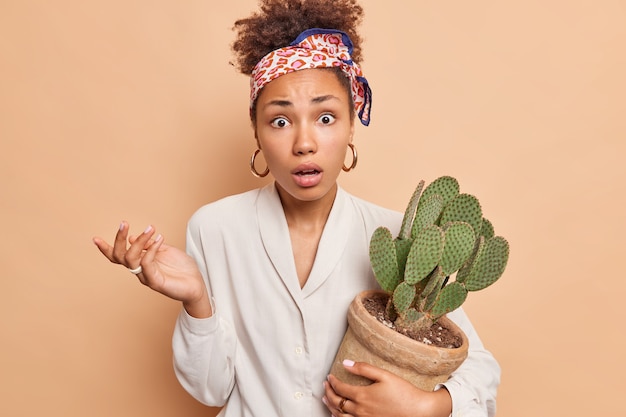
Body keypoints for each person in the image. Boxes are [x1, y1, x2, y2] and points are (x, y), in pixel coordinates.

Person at [93, 0, 500, 416]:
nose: (304, 143)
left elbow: (479, 373)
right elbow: (211, 391)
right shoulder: (215, 229)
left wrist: (427, 407)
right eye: (281, 121)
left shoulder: (398, 238)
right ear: (257, 132)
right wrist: (197, 302)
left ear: (351, 125)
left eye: (325, 118)